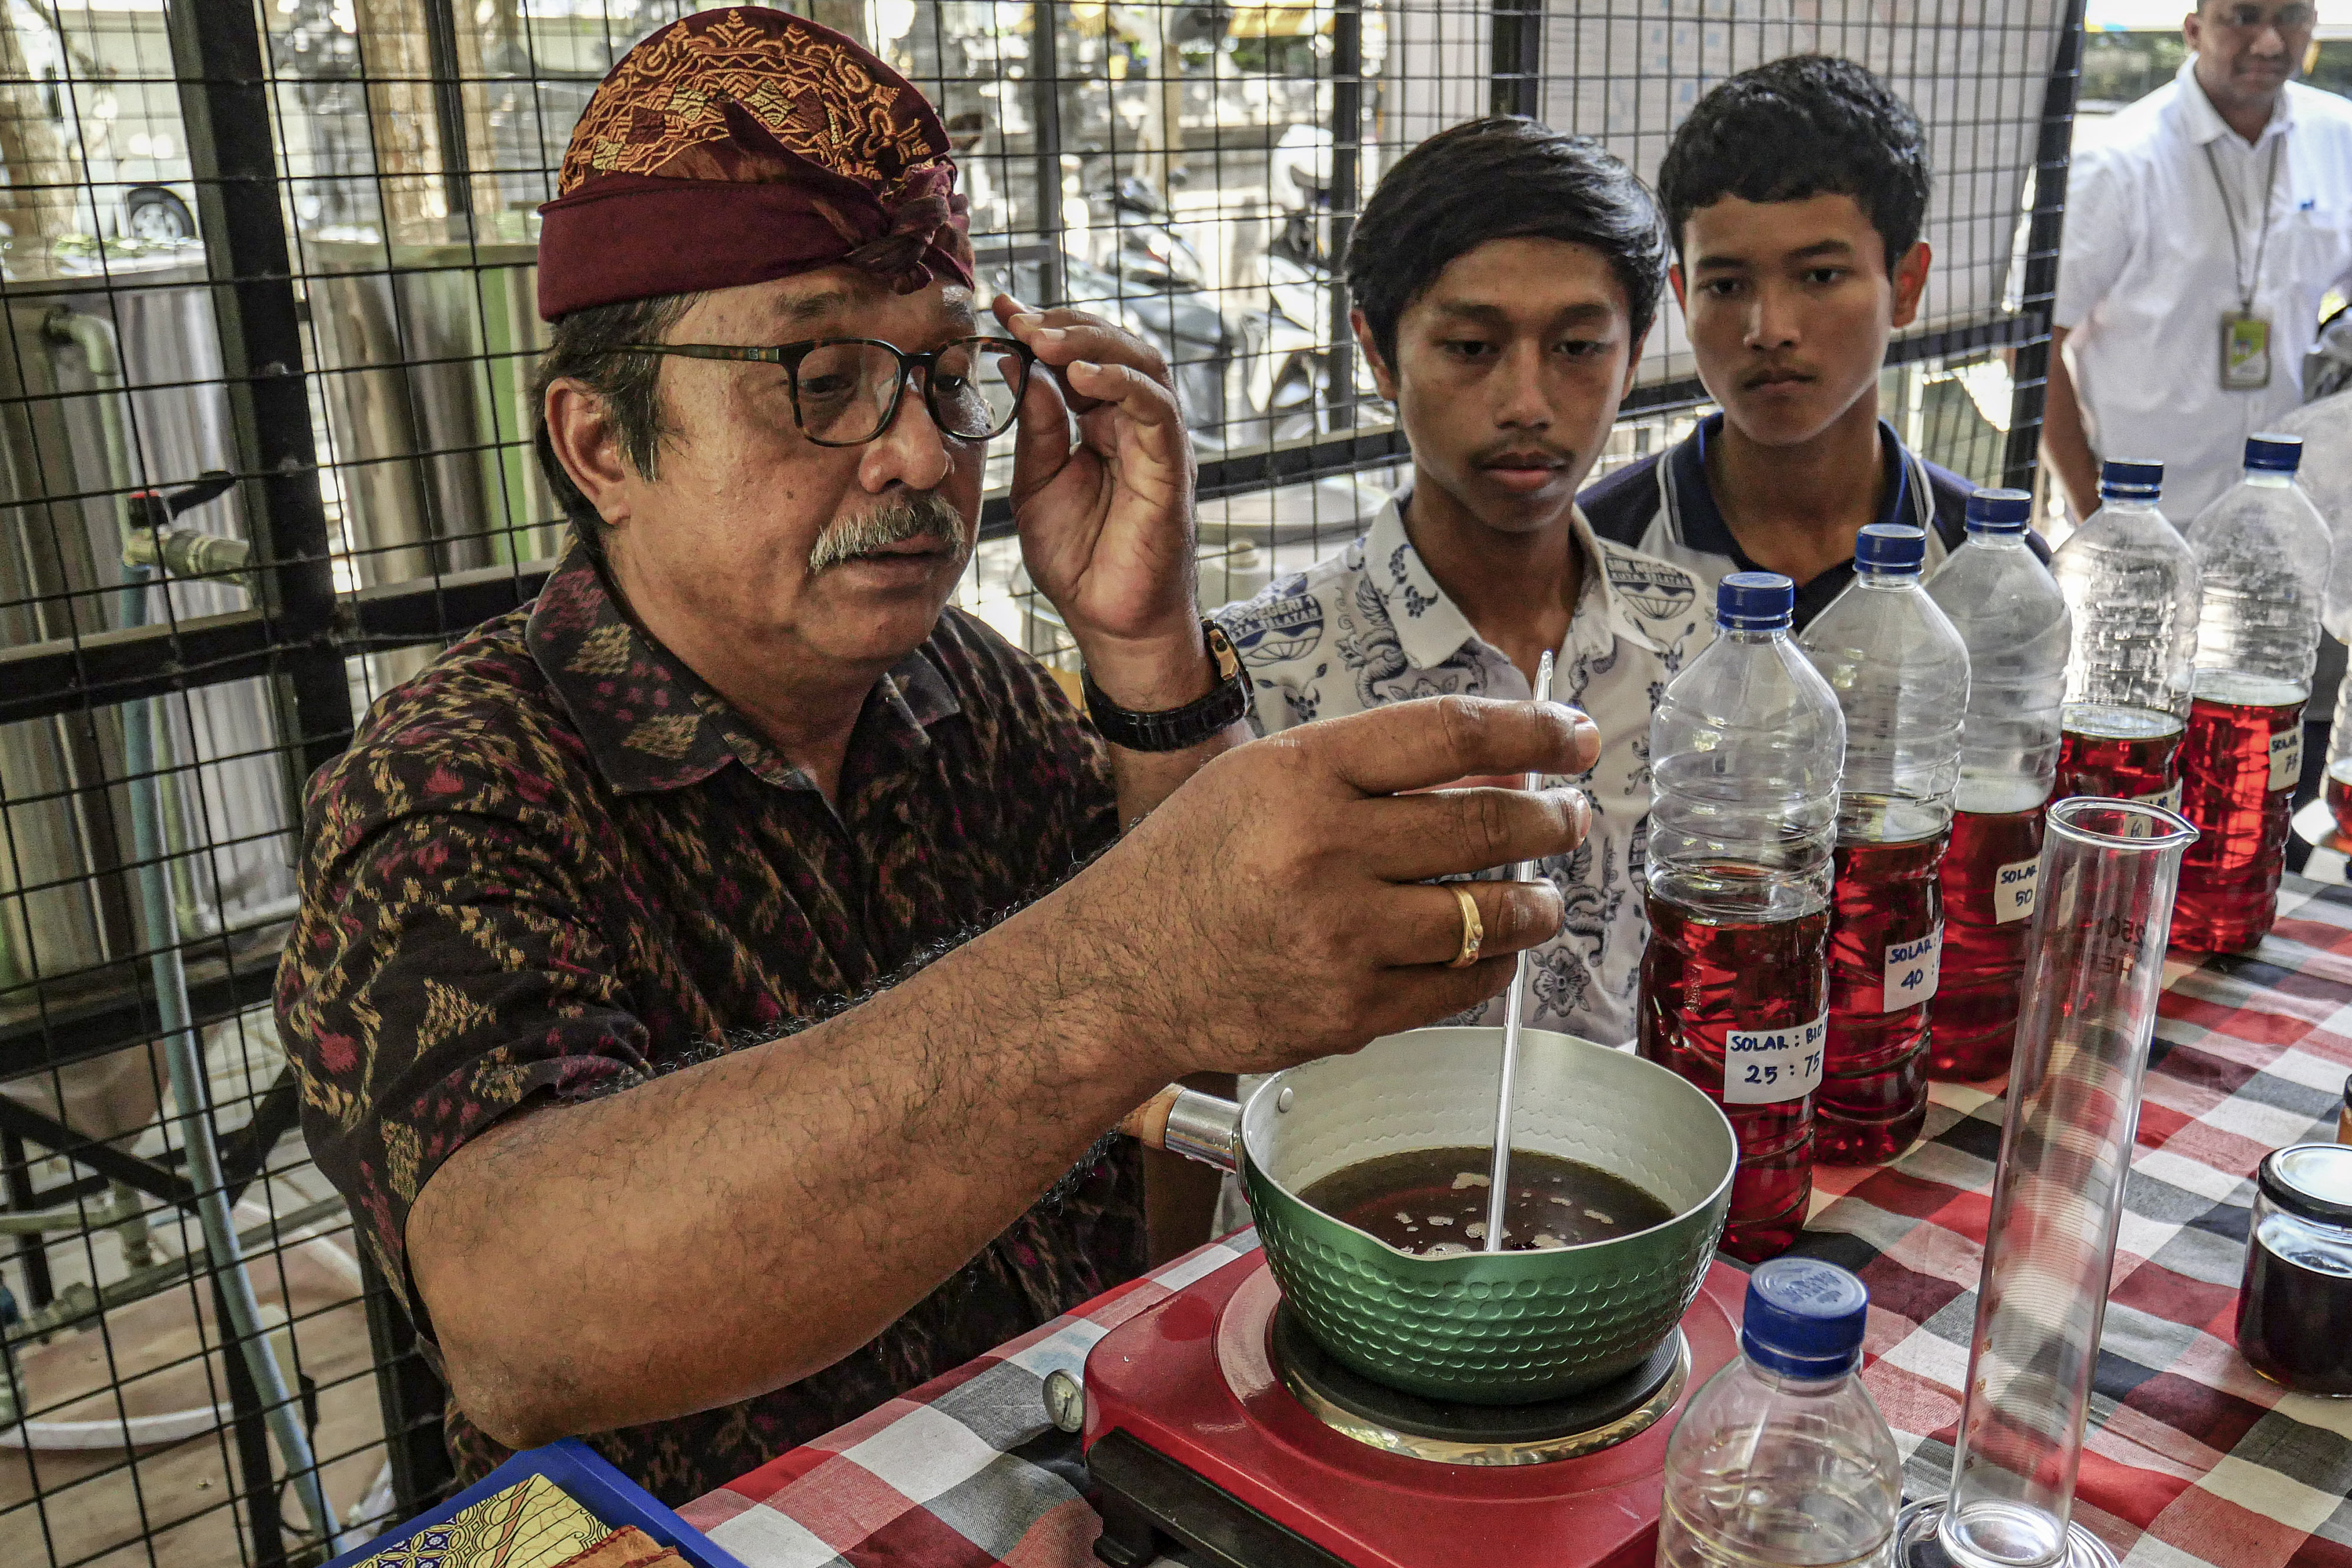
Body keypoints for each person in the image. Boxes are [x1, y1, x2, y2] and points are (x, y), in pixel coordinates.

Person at [273, 8, 1595, 1500]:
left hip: (1054, 1476)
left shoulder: (958, 692)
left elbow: (1207, 1082)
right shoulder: (457, 778)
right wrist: (1123, 967)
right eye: (820, 378)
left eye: (945, 371)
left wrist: (1147, 652)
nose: (915, 453)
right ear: (602, 447)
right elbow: (531, 1317)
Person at [1213, 119, 1706, 1047]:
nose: (1527, 402)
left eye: (1578, 347)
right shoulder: (1255, 675)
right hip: (1347, 1181)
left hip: (1638, 1175)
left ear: (1634, 353)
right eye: (1472, 347)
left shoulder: (1699, 643)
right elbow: (1199, 1026)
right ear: (1378, 353)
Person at [1581, 55, 2028, 631]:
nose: (1769, 330)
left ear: (1906, 286)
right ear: (1684, 296)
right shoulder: (1590, 553)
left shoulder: (1991, 570)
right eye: (1725, 285)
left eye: (1819, 276)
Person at [2045, 1, 2352, 524]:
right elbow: (2034, 345)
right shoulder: (2120, 163)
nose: (2270, 42)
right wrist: (2093, 507)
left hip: (2293, 513)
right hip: (2149, 513)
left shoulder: (2340, 139)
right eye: (2244, 17)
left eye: (2291, 18)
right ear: (2193, 31)